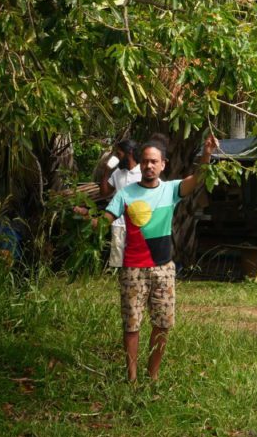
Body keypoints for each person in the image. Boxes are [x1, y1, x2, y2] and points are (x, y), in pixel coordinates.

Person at [91, 136, 214, 381]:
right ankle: (132, 377)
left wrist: (207, 154)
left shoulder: (171, 190)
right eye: (146, 161)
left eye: (154, 162)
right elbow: (103, 222)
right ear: (142, 164)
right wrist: (86, 218)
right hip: (133, 270)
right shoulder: (125, 194)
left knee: (163, 323)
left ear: (163, 165)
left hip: (163, 268)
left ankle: (153, 375)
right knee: (131, 324)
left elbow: (198, 177)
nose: (149, 166)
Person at [100, 139, 141, 269]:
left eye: (119, 154)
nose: (117, 157)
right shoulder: (117, 173)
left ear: (129, 153)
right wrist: (106, 171)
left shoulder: (143, 173)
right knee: (117, 262)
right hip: (118, 223)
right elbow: (104, 192)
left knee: (135, 259)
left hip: (137, 224)